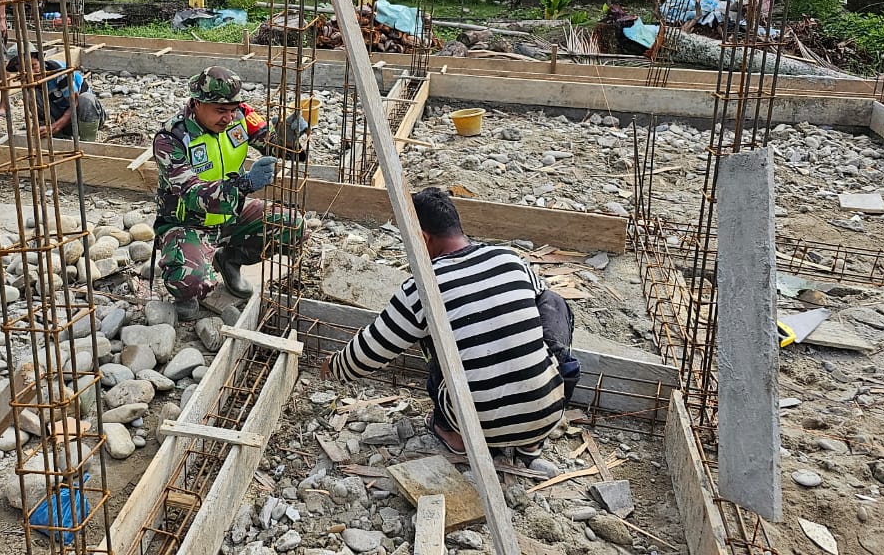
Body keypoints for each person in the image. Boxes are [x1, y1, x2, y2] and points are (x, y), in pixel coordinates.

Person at [323, 186, 577, 462]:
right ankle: (530, 442)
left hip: (476, 426)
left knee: (430, 328)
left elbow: (370, 351)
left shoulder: (423, 288)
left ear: (423, 238)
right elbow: (538, 306)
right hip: (547, 416)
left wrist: (334, 367)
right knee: (553, 301)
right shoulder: (509, 259)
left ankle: (453, 434)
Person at [152, 66, 309, 321]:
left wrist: (288, 139)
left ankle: (229, 260)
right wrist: (245, 184)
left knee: (292, 226)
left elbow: (271, 144)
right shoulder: (172, 138)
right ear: (197, 103)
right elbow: (192, 194)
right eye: (220, 110)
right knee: (192, 281)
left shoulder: (241, 116)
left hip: (233, 212)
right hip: (189, 222)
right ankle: (187, 292)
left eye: (232, 109)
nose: (228, 117)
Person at [6, 50, 106, 141]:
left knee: (85, 99)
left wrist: (55, 127)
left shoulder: (58, 71)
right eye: (25, 70)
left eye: (34, 66)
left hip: (87, 117)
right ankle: (59, 138)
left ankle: (88, 141)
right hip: (65, 123)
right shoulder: (29, 83)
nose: (32, 74)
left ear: (41, 61)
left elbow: (74, 103)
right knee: (31, 95)